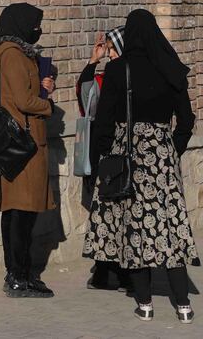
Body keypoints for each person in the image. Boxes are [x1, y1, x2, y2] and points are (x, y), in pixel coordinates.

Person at [82, 9, 199, 324]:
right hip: (161, 157)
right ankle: (183, 305)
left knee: (135, 227)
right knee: (170, 226)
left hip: (129, 154)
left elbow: (105, 120)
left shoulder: (119, 69)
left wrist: (104, 157)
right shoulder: (171, 68)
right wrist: (171, 148)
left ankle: (145, 304)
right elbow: (186, 121)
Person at [0, 3, 56, 299]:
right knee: (20, 213)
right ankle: (18, 276)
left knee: (17, 211)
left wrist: (42, 85)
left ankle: (20, 274)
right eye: (35, 24)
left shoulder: (12, 54)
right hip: (23, 144)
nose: (37, 30)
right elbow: (24, 101)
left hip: (19, 142)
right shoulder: (13, 56)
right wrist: (47, 102)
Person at [75, 27, 128, 292]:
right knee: (106, 215)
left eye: (111, 48)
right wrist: (92, 62)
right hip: (105, 154)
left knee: (114, 215)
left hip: (117, 155)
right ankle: (106, 272)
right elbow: (86, 101)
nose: (109, 53)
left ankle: (116, 272)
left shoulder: (128, 76)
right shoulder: (107, 76)